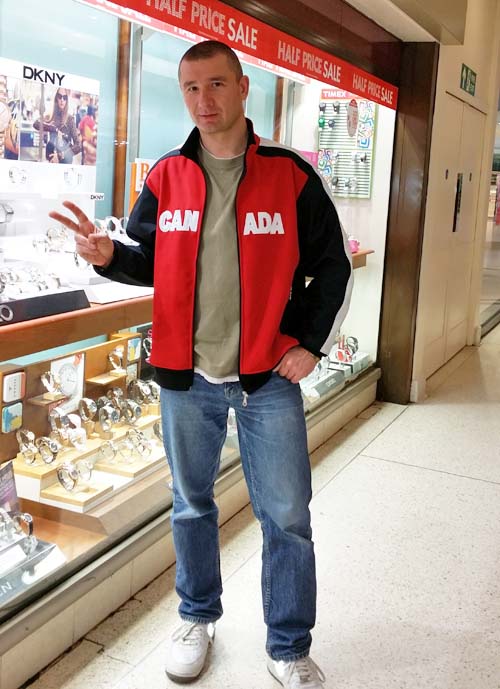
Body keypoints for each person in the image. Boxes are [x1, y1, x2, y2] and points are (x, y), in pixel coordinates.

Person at [49, 40, 353, 688]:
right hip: (186, 380)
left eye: (216, 84)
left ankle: (288, 644)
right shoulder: (166, 175)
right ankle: (195, 617)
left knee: (287, 516)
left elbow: (332, 265)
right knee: (190, 504)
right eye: (191, 87)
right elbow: (149, 260)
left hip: (267, 379)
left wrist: (309, 342)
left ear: (242, 89)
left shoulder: (289, 177)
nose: (203, 100)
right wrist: (108, 256)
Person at [34, 88, 81, 164]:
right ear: (56, 98)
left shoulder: (70, 119)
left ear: (67, 100)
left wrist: (60, 155)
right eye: (60, 96)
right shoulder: (50, 116)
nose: (62, 100)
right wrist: (52, 128)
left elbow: (78, 146)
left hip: (65, 161)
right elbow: (36, 123)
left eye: (64, 97)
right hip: (51, 158)